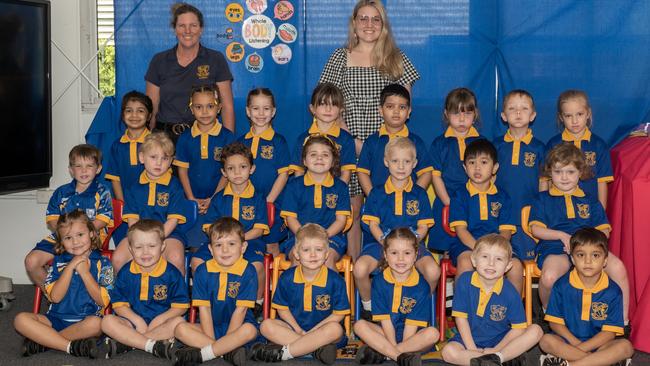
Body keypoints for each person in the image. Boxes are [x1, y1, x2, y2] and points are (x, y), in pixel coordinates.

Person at [319, 0, 420, 260]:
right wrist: (352, 142)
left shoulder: (397, 59)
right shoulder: (339, 57)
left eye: (375, 19)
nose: (369, 24)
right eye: (363, 18)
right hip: (347, 145)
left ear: (383, 25)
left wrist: (381, 146)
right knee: (352, 210)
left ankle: (392, 271)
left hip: (386, 149)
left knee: (387, 209)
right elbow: (329, 102)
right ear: (354, 23)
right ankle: (354, 273)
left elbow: (404, 103)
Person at [529, 143, 630, 328]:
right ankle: (548, 314)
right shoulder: (542, 199)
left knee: (618, 268)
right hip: (555, 248)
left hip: (587, 249)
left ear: (580, 172)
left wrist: (581, 244)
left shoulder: (590, 200)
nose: (564, 177)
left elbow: (604, 231)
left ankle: (621, 322)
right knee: (550, 277)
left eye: (570, 171)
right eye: (558, 172)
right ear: (550, 173)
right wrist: (561, 235)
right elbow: (536, 230)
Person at [355, 137, 440, 320]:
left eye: (406, 161)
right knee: (360, 269)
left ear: (414, 164)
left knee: (433, 271)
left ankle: (419, 306)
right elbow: (373, 225)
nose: (401, 167)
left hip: (412, 248)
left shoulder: (420, 194)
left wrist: (412, 242)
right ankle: (369, 308)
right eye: (395, 161)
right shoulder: (376, 193)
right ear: (386, 162)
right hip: (381, 246)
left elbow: (423, 226)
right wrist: (386, 243)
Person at [14, 210, 114, 359]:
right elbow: (55, 297)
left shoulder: (103, 263)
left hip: (84, 322)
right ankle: (70, 346)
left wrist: (85, 273)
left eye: (80, 235)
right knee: (20, 319)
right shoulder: (58, 262)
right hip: (55, 319)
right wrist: (70, 267)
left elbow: (103, 301)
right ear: (61, 241)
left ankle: (45, 342)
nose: (75, 242)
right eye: (68, 238)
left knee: (97, 324)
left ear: (92, 233)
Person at [251, 224, 350, 364]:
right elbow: (282, 308)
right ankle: (314, 350)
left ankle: (285, 353)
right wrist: (298, 330)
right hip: (294, 330)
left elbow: (338, 314)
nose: (313, 254)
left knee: (335, 329)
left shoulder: (335, 280)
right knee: (266, 325)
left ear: (327, 254)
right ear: (296, 254)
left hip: (323, 332)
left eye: (319, 249)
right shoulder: (287, 278)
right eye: (306, 250)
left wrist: (313, 332)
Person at [441, 234, 542, 366]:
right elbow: (461, 319)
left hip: (500, 342)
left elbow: (518, 329)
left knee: (536, 331)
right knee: (448, 352)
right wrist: (471, 348)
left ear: (508, 266)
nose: (491, 263)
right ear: (474, 260)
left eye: (499, 259)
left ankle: (496, 358)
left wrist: (496, 350)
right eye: (485, 257)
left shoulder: (510, 292)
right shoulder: (464, 281)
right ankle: (496, 360)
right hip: (468, 340)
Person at [191, 142, 269, 313]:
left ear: (252, 169)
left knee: (257, 266)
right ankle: (207, 302)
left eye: (242, 167)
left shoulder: (258, 198)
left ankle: (256, 304)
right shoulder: (218, 198)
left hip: (249, 242)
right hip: (220, 244)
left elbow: (259, 229)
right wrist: (225, 242)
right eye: (231, 168)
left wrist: (238, 241)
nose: (237, 172)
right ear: (224, 172)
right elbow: (209, 227)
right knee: (196, 262)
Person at [539, 228, 634, 366]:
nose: (588, 261)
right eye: (581, 255)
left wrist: (580, 348)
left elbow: (609, 333)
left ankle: (571, 364)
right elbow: (555, 323)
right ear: (572, 258)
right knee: (546, 340)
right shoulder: (561, 285)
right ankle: (598, 362)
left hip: (601, 345)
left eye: (595, 255)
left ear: (605, 260)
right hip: (568, 342)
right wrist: (577, 344)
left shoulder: (613, 291)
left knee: (626, 347)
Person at [172, 217, 259, 366]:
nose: (225, 250)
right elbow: (204, 309)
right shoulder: (202, 271)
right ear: (211, 250)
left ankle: (204, 354)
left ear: (243, 247)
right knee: (180, 329)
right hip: (211, 326)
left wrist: (228, 339)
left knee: (250, 330)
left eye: (231, 244)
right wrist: (219, 343)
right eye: (218, 245)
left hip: (238, 327)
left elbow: (241, 311)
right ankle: (227, 352)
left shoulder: (248, 271)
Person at [100, 219, 189, 360]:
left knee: (179, 323)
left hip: (162, 325)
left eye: (152, 246)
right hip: (132, 324)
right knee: (106, 321)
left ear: (162, 246)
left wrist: (160, 320)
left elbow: (181, 307)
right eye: (138, 247)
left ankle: (130, 343)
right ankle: (151, 345)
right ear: (130, 249)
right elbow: (118, 305)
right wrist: (136, 320)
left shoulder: (171, 273)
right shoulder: (125, 272)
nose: (145, 252)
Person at [24, 144, 112, 286]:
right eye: (78, 166)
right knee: (31, 261)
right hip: (61, 237)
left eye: (89, 166)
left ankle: (79, 300)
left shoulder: (102, 192)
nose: (84, 170)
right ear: (71, 170)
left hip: (90, 240)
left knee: (78, 262)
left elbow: (102, 220)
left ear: (98, 169)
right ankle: (55, 297)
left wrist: (77, 234)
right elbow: (52, 219)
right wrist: (66, 235)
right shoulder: (61, 192)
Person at [145, 2, 235, 138]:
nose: (188, 31)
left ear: (201, 29)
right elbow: (151, 108)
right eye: (182, 26)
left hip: (204, 136)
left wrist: (229, 144)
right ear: (175, 29)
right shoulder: (159, 61)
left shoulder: (216, 59)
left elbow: (227, 107)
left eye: (193, 25)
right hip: (164, 139)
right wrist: (149, 140)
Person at [353, 228, 439, 366]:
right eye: (394, 253)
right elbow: (385, 321)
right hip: (386, 334)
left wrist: (396, 348)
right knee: (359, 325)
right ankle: (400, 357)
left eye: (407, 253)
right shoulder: (379, 282)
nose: (400, 259)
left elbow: (412, 326)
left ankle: (385, 354)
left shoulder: (422, 287)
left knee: (433, 334)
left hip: (413, 339)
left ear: (415, 255)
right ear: (386, 255)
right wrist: (394, 347)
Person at [448, 139, 521, 292]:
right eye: (472, 162)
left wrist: (494, 251)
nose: (477, 168)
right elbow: (461, 231)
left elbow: (506, 231)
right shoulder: (459, 195)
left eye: (484, 162)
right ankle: (463, 309)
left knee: (516, 267)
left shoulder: (503, 196)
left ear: (495, 167)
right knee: (465, 263)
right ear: (465, 167)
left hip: (497, 245)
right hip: (468, 245)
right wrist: (480, 250)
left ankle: (513, 312)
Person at [111, 132, 188, 276]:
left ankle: (177, 297)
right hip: (138, 235)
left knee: (176, 258)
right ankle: (124, 296)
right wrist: (142, 240)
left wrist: (156, 240)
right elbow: (132, 220)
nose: (159, 163)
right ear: (142, 158)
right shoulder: (133, 187)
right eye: (153, 157)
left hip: (168, 235)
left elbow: (173, 219)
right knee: (118, 258)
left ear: (171, 161)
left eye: (165, 158)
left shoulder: (175, 186)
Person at [280, 135, 352, 269]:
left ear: (333, 161)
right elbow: (290, 218)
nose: (319, 158)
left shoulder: (340, 187)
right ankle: (296, 290)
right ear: (304, 161)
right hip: (299, 237)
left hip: (331, 238)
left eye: (325, 155)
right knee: (298, 260)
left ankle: (330, 290)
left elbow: (341, 221)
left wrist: (323, 237)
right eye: (313, 154)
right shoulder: (293, 186)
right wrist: (305, 236)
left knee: (327, 260)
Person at [428, 87, 484, 252]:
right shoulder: (439, 144)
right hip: (447, 200)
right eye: (456, 113)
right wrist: (449, 203)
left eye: (467, 114)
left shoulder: (482, 143)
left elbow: (490, 175)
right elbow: (436, 177)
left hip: (473, 201)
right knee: (446, 246)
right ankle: (447, 274)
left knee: (473, 243)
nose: (461, 119)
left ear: (475, 115)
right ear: (446, 114)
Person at [493, 90, 546, 262]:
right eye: (512, 108)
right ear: (503, 116)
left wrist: (540, 211)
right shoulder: (496, 146)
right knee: (499, 259)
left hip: (527, 216)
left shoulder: (539, 148)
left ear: (532, 115)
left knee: (526, 263)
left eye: (524, 108)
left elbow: (543, 181)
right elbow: (488, 179)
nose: (518, 113)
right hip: (500, 216)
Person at [238, 88, 290, 257]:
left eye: (266, 108)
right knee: (244, 244)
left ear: (273, 111)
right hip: (245, 204)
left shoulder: (279, 141)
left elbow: (283, 174)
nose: (261, 113)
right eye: (255, 108)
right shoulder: (240, 142)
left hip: (271, 203)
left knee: (271, 245)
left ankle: (274, 283)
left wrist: (268, 202)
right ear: (247, 111)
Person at [357, 83, 432, 194]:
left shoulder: (416, 142)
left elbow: (426, 173)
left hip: (407, 206)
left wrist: (414, 196)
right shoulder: (371, 142)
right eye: (390, 106)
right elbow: (362, 172)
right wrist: (373, 198)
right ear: (381, 111)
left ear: (408, 112)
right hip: (378, 206)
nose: (396, 111)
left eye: (402, 107)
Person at [546, 90, 613, 209]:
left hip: (589, 210)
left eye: (579, 114)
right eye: (568, 116)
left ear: (588, 113)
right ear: (561, 117)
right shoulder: (554, 144)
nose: (575, 121)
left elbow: (601, 183)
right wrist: (549, 208)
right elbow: (548, 180)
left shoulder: (599, 145)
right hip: (559, 209)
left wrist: (601, 211)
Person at [174, 85, 235, 215]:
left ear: (219, 108)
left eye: (210, 106)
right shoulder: (185, 138)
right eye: (198, 107)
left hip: (221, 200)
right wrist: (191, 199)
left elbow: (229, 172)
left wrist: (213, 199)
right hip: (191, 199)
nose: (205, 112)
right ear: (192, 109)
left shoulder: (228, 137)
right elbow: (183, 171)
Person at [291, 83, 357, 185]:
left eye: (333, 104)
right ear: (312, 109)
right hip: (307, 195)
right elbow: (299, 171)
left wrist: (336, 192)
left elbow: (346, 173)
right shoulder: (303, 139)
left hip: (334, 197)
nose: (328, 109)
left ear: (341, 109)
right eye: (322, 104)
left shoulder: (346, 139)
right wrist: (304, 193)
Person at [104, 90, 152, 202]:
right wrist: (122, 203)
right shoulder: (117, 146)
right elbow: (114, 178)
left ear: (149, 116)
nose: (134, 115)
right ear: (122, 115)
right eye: (129, 110)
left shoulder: (156, 143)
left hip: (151, 204)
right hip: (126, 205)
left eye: (140, 111)